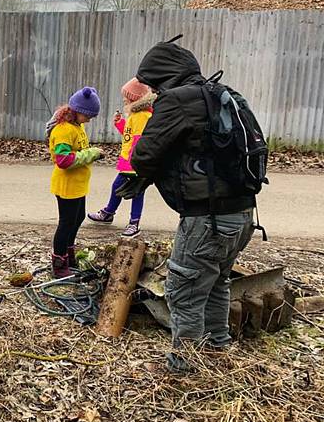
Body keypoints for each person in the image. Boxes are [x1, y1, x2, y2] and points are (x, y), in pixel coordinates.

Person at [119, 39, 257, 373]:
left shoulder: (177, 100)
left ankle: (185, 369)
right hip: (243, 214)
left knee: (184, 292)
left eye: (153, 83)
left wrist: (146, 172)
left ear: (162, 78)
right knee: (215, 282)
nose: (153, 90)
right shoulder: (221, 94)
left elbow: (144, 154)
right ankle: (217, 351)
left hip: (206, 219)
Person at [46, 86, 103, 279]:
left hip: (79, 185)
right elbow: (63, 160)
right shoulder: (63, 130)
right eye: (88, 116)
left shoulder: (78, 127)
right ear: (77, 111)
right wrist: (92, 154)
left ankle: (69, 255)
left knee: (77, 219)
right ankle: (59, 262)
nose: (89, 120)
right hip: (67, 186)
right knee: (66, 223)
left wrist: (89, 154)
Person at [87, 78, 154, 237]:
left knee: (137, 192)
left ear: (135, 98)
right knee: (118, 186)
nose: (124, 99)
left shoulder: (143, 116)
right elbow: (129, 135)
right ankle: (109, 212)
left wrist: (135, 162)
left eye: (126, 96)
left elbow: (139, 141)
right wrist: (120, 124)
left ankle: (134, 223)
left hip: (136, 164)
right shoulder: (134, 114)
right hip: (128, 163)